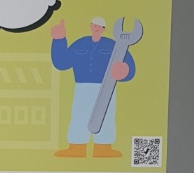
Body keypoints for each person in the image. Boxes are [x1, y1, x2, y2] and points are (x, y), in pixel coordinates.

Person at [50, 16, 133, 158]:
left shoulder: (113, 45)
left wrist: (125, 71)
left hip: (107, 87)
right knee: (79, 115)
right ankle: (76, 148)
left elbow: (128, 65)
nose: (97, 28)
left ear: (104, 29)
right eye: (94, 25)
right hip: (82, 87)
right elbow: (62, 63)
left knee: (106, 116)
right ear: (90, 26)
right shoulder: (80, 44)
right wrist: (59, 40)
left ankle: (103, 148)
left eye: (100, 26)